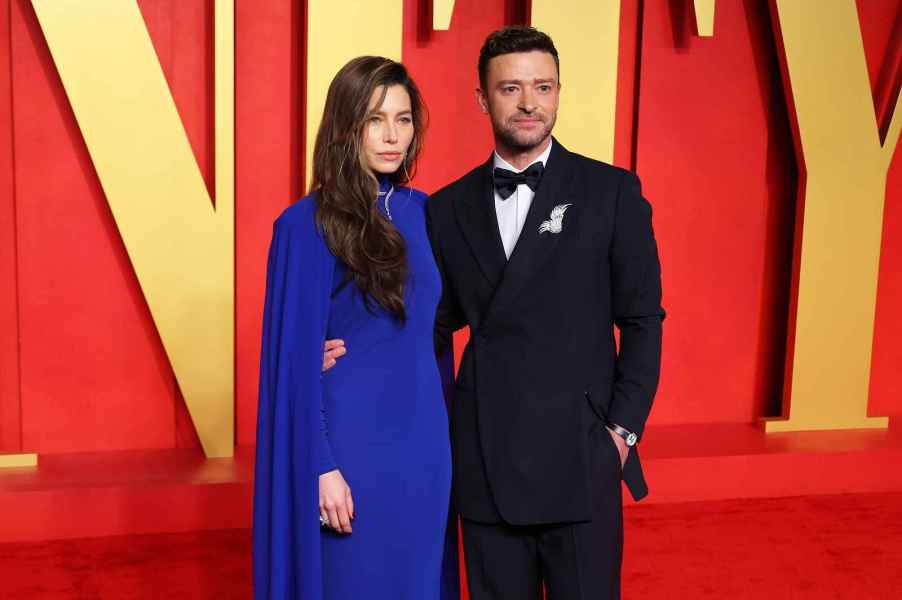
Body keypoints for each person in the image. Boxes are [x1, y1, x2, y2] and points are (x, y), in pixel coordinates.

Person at [427, 26, 665, 599]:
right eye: (510, 88)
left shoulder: (611, 192)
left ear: (559, 92)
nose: (529, 103)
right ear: (482, 98)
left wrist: (620, 436)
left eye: (543, 86)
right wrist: (342, 347)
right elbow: (430, 324)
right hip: (486, 458)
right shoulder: (447, 208)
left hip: (581, 459)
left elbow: (642, 321)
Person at [253, 56, 453, 600]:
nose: (393, 136)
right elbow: (291, 359)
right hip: (351, 444)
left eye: (404, 119)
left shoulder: (431, 214)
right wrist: (319, 465)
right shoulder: (305, 224)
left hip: (426, 444)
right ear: (347, 127)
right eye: (375, 120)